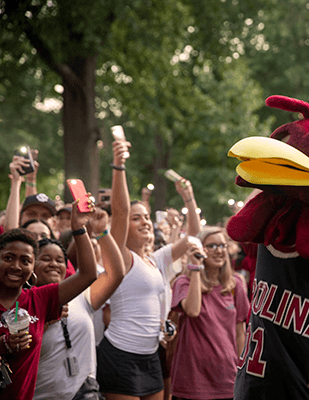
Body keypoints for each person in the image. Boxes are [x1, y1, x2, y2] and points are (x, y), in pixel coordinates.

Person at [96, 139, 200, 400]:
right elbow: (119, 212)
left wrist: (188, 197)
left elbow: (194, 234)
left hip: (151, 355)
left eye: (146, 216)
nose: (144, 221)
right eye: (136, 217)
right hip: (120, 355)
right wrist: (119, 166)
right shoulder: (120, 256)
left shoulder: (157, 260)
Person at [0, 201, 97, 400]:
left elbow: (88, 274)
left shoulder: (40, 299)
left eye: (25, 261)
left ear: (33, 266)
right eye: (8, 258)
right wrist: (4, 343)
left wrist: (79, 228)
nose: (16, 266)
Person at [33, 207, 124, 400]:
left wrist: (101, 231)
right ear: (32, 265)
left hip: (84, 394)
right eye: (45, 259)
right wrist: (45, 323)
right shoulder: (24, 302)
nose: (53, 264)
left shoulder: (81, 296)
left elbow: (116, 273)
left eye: (59, 260)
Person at [170, 227, 250, 400]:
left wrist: (242, 373)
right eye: (212, 246)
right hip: (193, 379)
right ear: (199, 249)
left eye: (222, 245)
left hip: (226, 378)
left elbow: (239, 333)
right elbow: (192, 310)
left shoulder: (235, 284)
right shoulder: (183, 282)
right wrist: (196, 268)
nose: (219, 250)